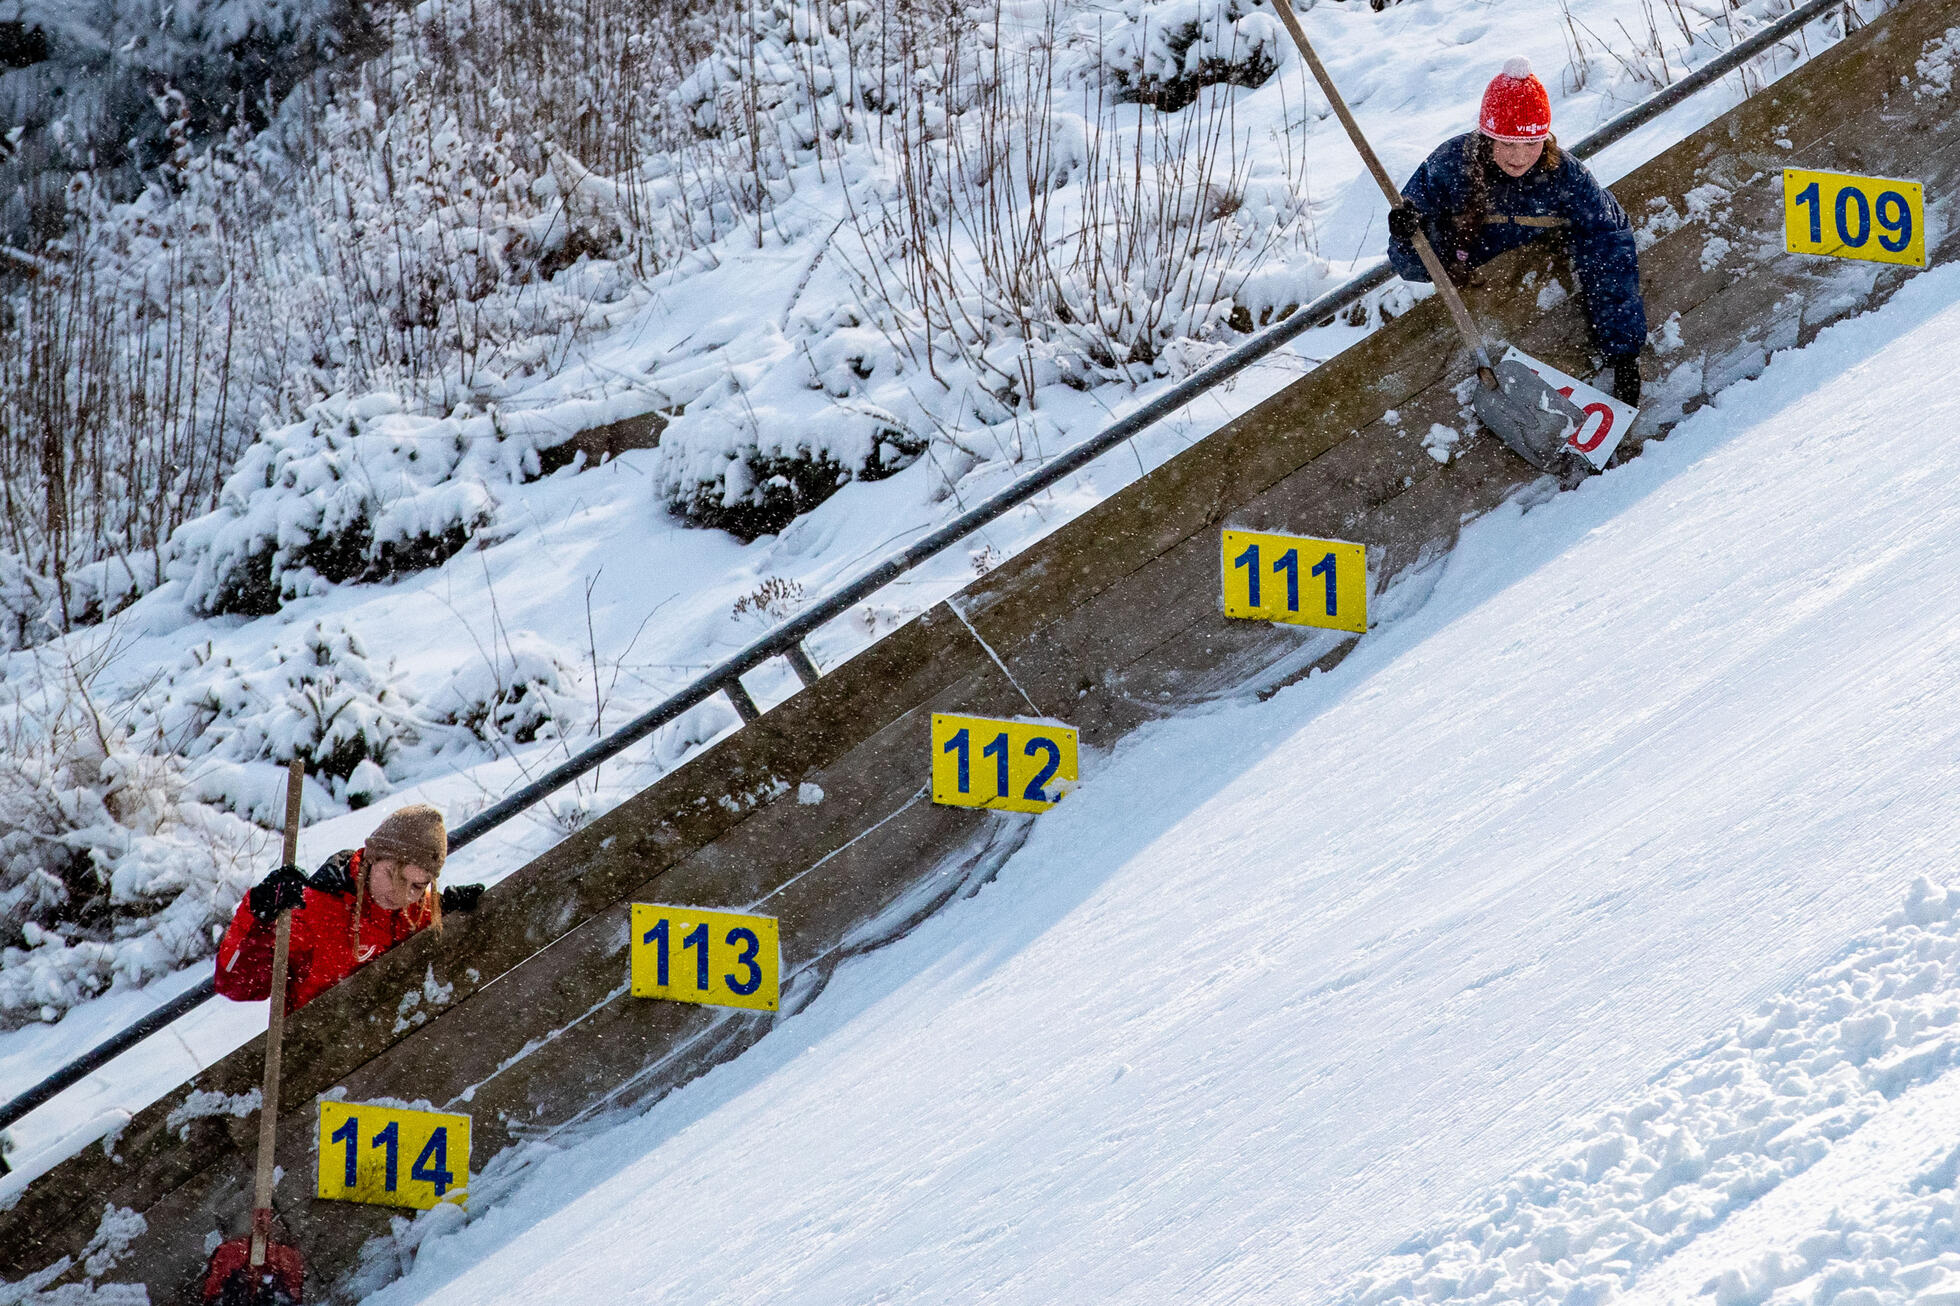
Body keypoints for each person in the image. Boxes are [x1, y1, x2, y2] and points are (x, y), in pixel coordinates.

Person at [1387, 57, 1647, 406]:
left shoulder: (1565, 178)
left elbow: (1607, 247)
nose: (1519, 157)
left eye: (1531, 143)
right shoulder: (1449, 168)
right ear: (1487, 136)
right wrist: (1408, 236)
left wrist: (1624, 352)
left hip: (1545, 309)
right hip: (1477, 319)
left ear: (1546, 138)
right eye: (1507, 143)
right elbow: (1414, 268)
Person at [216, 803, 484, 1012]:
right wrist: (259, 916)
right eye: (393, 875)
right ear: (372, 858)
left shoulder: (417, 913)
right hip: (319, 1053)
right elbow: (235, 984)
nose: (401, 894)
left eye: (416, 886)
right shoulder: (313, 912)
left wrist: (448, 911)